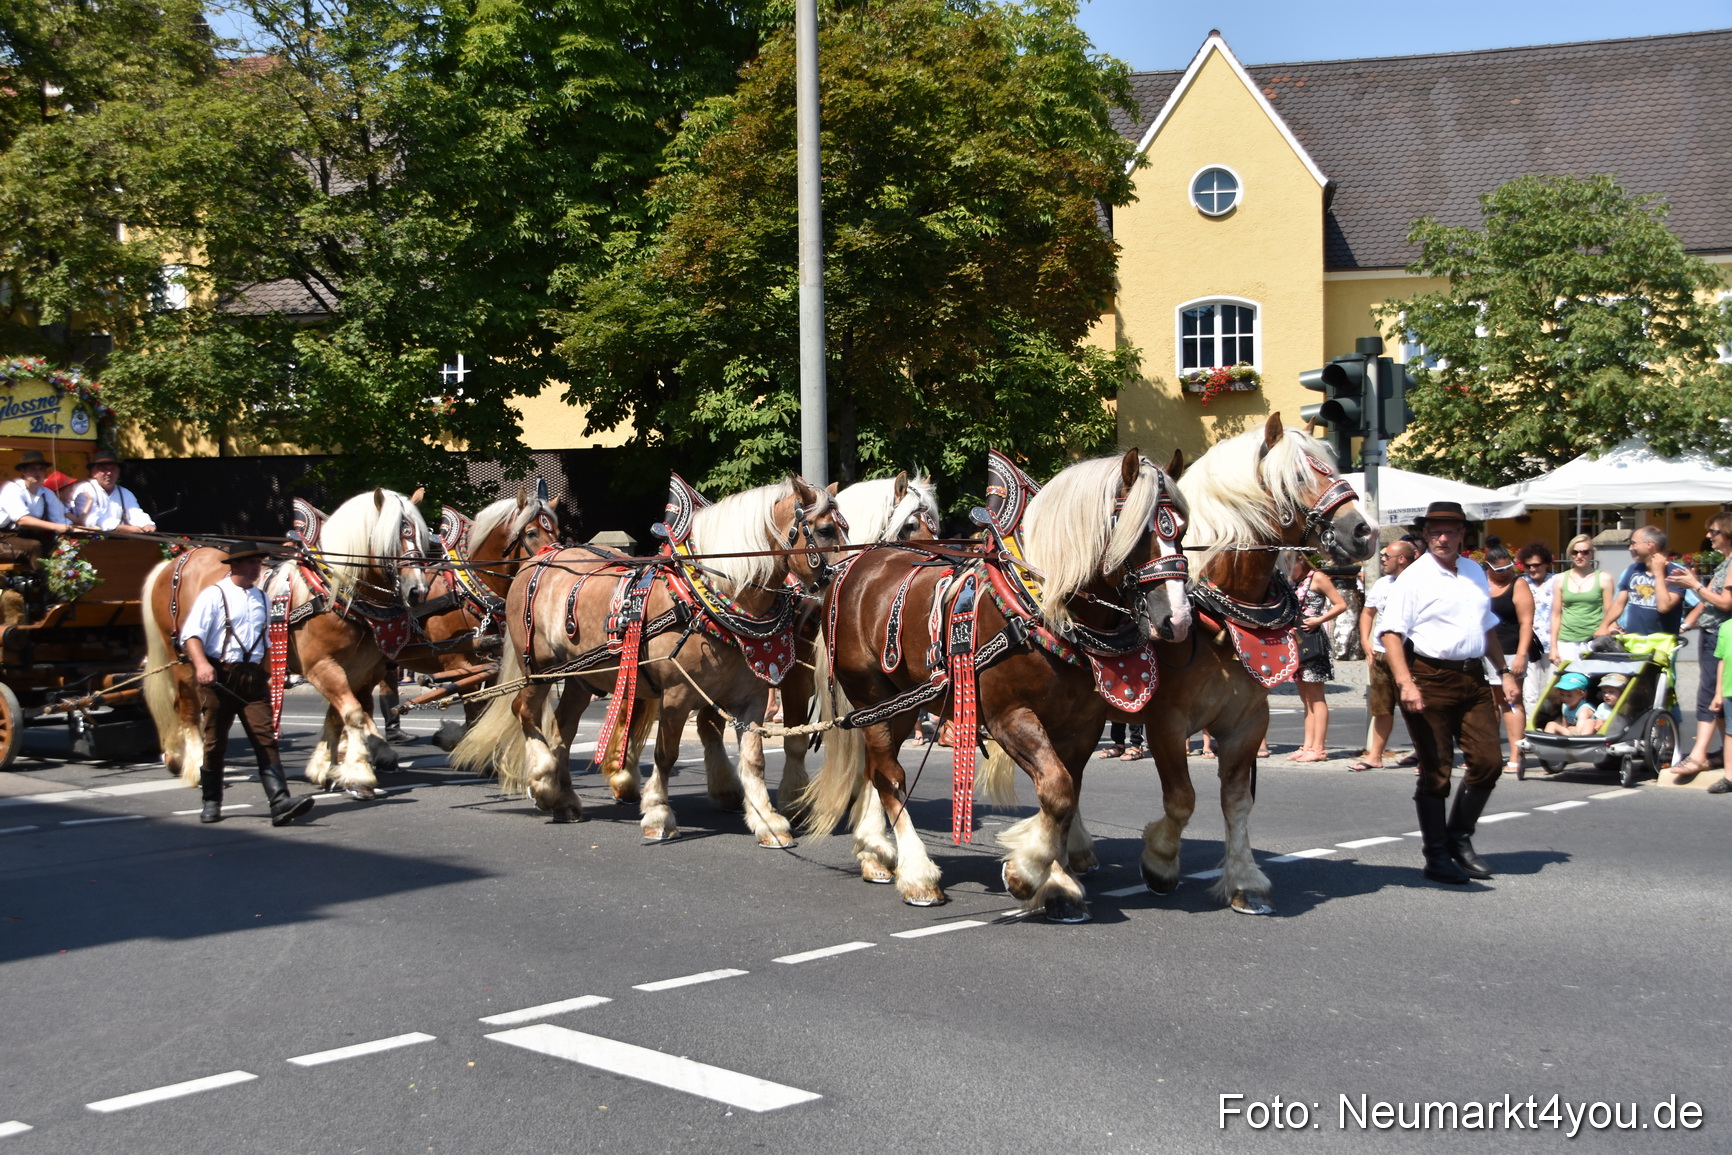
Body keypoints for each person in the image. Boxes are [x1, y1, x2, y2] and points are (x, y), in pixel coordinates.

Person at [1379, 501, 1522, 885]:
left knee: (1489, 762)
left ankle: (1459, 838)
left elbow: (1487, 627)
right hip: (1429, 677)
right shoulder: (1414, 577)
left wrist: (1504, 672)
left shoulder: (1474, 570)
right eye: (1434, 532)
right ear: (1425, 535)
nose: (1442, 538)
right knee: (1436, 771)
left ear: (1463, 535)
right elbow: (1391, 634)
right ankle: (1436, 855)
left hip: (1473, 676)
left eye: (1450, 532)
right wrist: (1406, 683)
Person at [180, 546, 314, 826]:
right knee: (215, 742)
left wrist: (267, 673)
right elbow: (191, 635)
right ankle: (212, 801)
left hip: (252, 679)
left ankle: (280, 802)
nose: (257, 568)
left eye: (258, 563)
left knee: (266, 738)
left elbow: (265, 641)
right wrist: (202, 665)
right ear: (236, 566)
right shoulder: (214, 595)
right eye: (252, 563)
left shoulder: (262, 598)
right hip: (220, 676)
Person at [1669, 515, 1732, 777]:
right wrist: (1684, 625)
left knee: (1709, 695)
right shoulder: (1725, 562)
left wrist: (1694, 584)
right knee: (1716, 697)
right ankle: (1719, 753)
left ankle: (1698, 755)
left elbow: (1725, 603)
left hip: (1720, 635)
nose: (1709, 536)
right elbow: (1706, 602)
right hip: (1712, 632)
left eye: (1714, 531)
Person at [1350, 539, 1418, 771]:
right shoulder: (1382, 584)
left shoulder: (1417, 584)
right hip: (1380, 653)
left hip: (1410, 654)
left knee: (1415, 707)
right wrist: (1365, 641)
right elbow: (1368, 613)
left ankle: (1425, 754)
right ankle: (1375, 756)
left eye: (1387, 556)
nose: (1382, 559)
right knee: (1381, 707)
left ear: (1402, 559)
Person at [1483, 541, 1534, 775]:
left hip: (1511, 649)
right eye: (1499, 570)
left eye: (1508, 568)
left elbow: (1526, 623)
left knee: (1511, 700)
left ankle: (1516, 754)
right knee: (1489, 704)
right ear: (1488, 567)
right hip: (1484, 651)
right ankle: (1489, 754)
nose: (1505, 573)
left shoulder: (1518, 584)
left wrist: (1522, 654)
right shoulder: (1481, 582)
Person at [1289, 555, 1346, 762]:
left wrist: (1320, 620)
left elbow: (1341, 604)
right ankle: (1308, 745)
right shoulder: (1295, 581)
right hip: (1297, 638)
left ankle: (1319, 748)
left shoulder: (1318, 577)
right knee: (1305, 697)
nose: (1288, 569)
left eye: (1290, 564)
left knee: (1316, 695)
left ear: (1301, 560)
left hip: (1312, 639)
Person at [1600, 525, 1686, 640]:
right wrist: (1604, 626)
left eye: (1634, 543)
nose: (1630, 548)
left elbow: (1664, 607)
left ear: (1649, 545)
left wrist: (1659, 574)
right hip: (1633, 641)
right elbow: (1619, 604)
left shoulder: (1675, 572)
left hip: (1662, 644)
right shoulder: (1633, 569)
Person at [1548, 534, 1613, 665]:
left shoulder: (1604, 578)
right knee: (1568, 681)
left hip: (1593, 639)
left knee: (1592, 681)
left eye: (1585, 552)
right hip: (1566, 641)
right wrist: (1553, 647)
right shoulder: (1560, 579)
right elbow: (1555, 614)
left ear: (1592, 554)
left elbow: (1610, 612)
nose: (1579, 556)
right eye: (1575, 552)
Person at [0, 450, 74, 561]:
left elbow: (61, 521)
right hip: (4, 538)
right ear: (23, 471)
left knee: (62, 547)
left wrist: (84, 530)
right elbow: (22, 520)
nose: (37, 473)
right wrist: (56, 526)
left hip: (27, 537)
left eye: (41, 469)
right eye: (32, 469)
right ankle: (48, 578)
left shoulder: (47, 493)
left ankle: (67, 577)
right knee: (34, 546)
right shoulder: (12, 489)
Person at [65, 448, 156, 532]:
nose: (109, 473)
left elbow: (136, 513)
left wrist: (147, 524)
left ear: (119, 473)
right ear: (94, 473)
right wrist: (122, 527)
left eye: (112, 469)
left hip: (118, 541)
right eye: (103, 469)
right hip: (90, 542)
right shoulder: (84, 490)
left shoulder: (125, 493)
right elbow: (90, 520)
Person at [1517, 541, 1556, 715]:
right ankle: (1531, 728)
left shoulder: (1557, 582)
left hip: (1552, 644)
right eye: (1528, 565)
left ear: (1546, 564)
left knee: (1551, 690)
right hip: (1529, 645)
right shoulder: (1521, 583)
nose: (1532, 569)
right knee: (1530, 692)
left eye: (1537, 565)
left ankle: (1549, 725)